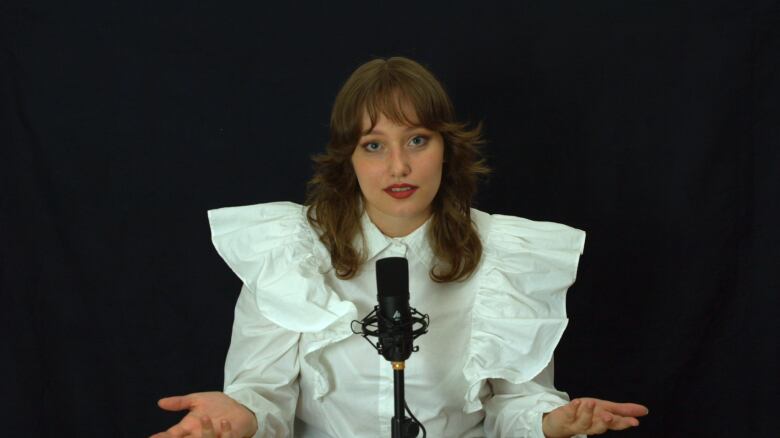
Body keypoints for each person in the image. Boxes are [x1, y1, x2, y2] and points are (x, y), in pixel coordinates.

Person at [151, 57, 648, 438]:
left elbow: (513, 401)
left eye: (417, 140)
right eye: (373, 145)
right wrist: (237, 416)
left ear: (445, 148)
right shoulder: (292, 251)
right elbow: (262, 393)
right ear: (347, 158)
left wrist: (551, 421)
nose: (398, 167)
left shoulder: (505, 256)